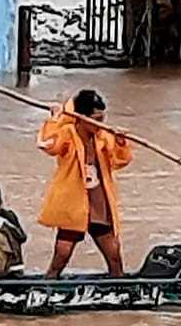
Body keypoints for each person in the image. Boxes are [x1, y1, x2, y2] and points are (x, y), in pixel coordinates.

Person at [37, 88, 133, 278]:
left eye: (102, 119)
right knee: (62, 254)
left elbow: (119, 161)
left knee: (114, 255)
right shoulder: (67, 133)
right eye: (96, 120)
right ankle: (49, 283)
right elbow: (47, 145)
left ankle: (119, 285)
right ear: (81, 117)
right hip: (73, 203)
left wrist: (121, 142)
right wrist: (55, 119)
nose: (100, 124)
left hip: (98, 202)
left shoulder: (103, 137)